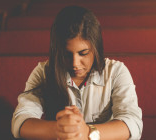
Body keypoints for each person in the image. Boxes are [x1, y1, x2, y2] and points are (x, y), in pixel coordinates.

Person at [11, 6, 143, 140]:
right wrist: (59, 129)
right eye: (66, 55)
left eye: (83, 53)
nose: (75, 63)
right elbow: (21, 121)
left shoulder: (116, 71)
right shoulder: (44, 72)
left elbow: (133, 124)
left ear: (96, 49)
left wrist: (87, 133)